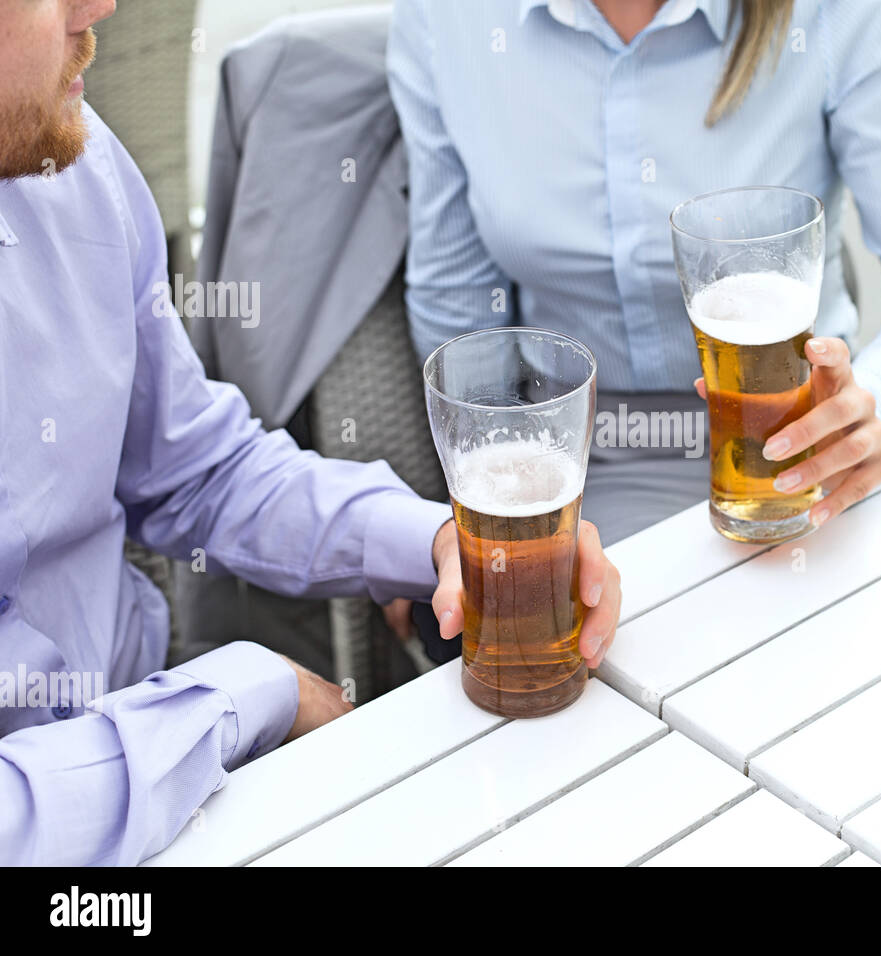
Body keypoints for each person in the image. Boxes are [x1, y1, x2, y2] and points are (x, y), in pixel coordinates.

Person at [0, 0, 622, 866]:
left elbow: (195, 471)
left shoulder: (77, 168)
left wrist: (440, 539)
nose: (100, 5)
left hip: (160, 749)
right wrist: (230, 699)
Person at [387, 0, 881, 547]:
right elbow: (458, 311)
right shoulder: (448, 17)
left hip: (801, 454)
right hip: (580, 469)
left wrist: (877, 408)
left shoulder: (839, 13)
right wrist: (452, 519)